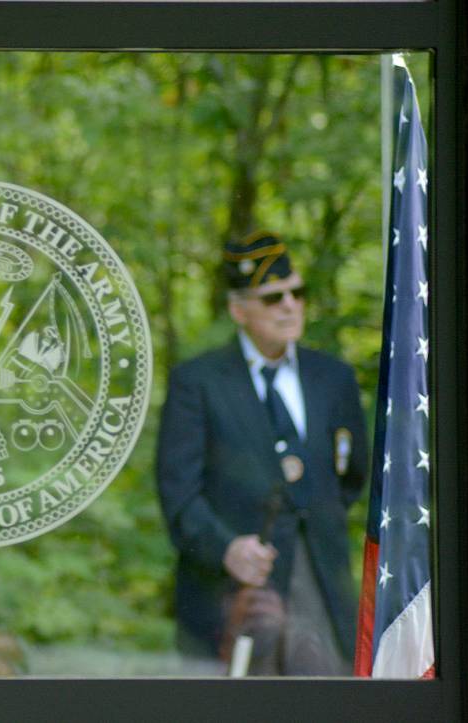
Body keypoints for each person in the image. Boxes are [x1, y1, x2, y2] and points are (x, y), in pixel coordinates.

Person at [156, 231, 367, 676]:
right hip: (233, 597)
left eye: (297, 293)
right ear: (239, 309)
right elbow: (178, 494)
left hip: (321, 588)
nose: (290, 305)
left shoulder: (333, 378)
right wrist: (227, 547)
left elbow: (350, 477)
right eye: (273, 298)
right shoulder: (199, 382)